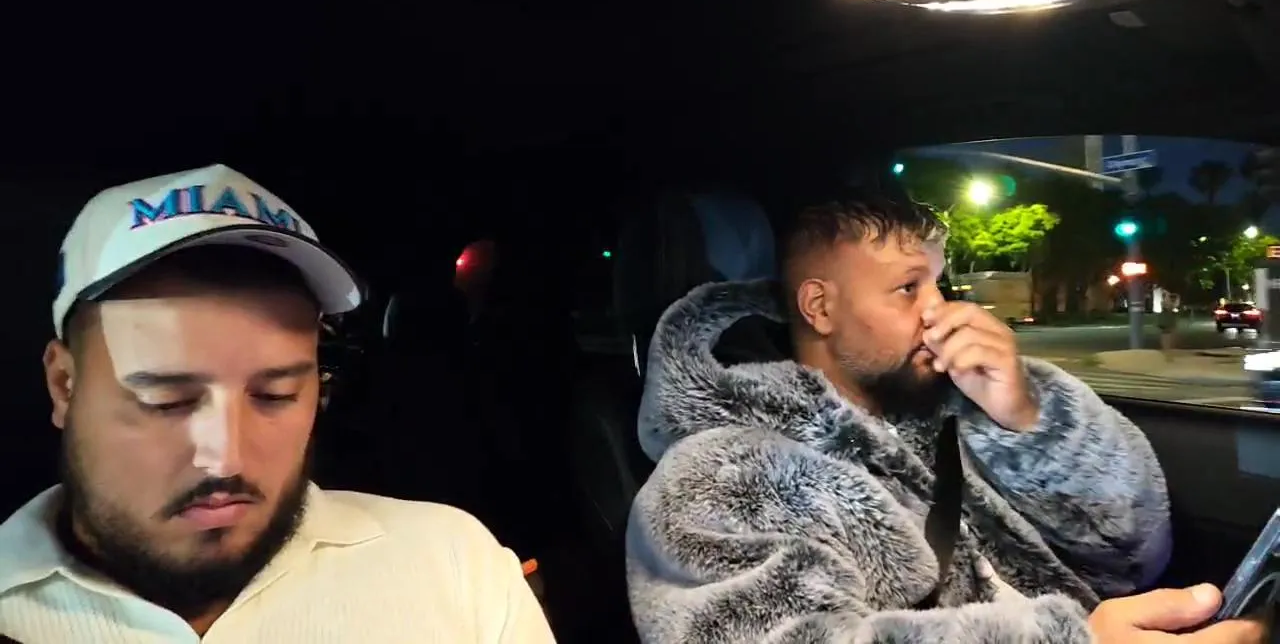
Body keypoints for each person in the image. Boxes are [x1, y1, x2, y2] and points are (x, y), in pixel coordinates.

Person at [626, 187, 1264, 643]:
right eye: (909, 288)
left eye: (940, 284)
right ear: (819, 307)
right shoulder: (716, 479)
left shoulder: (957, 413)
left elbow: (1135, 553)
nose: (940, 310)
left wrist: (1026, 419)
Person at [0, 164, 556, 643]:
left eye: (276, 395)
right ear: (64, 385)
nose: (225, 459)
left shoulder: (454, 567)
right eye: (166, 400)